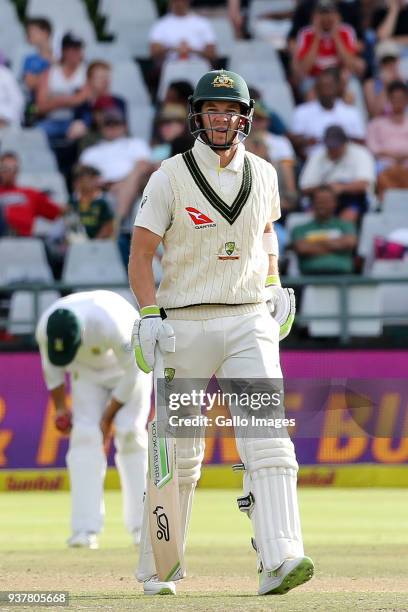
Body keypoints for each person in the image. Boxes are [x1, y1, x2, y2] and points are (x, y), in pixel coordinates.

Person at [129, 69, 314, 596]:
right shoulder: (168, 175)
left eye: (231, 111)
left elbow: (266, 229)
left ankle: (280, 559)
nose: (221, 119)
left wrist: (275, 281)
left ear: (245, 118)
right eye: (212, 110)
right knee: (180, 451)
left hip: (247, 320)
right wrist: (148, 314)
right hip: (183, 323)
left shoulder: (265, 172)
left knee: (269, 441)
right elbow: (142, 254)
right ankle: (158, 567)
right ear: (197, 116)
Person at [35, 291, 152, 548]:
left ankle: (142, 529)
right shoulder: (46, 327)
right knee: (84, 439)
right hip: (86, 372)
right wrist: (60, 410)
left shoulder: (111, 321)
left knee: (130, 434)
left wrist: (107, 419)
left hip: (129, 368)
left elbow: (133, 373)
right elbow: (52, 372)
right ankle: (84, 531)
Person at [79, 108, 152, 224]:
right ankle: (119, 224)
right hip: (102, 187)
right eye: (108, 124)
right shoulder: (91, 152)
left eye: (116, 124)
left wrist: (123, 183)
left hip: (133, 184)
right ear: (101, 127)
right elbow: (81, 176)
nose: (112, 128)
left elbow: (144, 167)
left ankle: (118, 222)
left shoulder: (136, 144)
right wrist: (105, 186)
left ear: (125, 126)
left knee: (139, 170)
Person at [299, 125, 376, 221]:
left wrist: (341, 187)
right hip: (322, 197)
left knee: (349, 215)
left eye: (336, 146)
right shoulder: (317, 156)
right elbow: (305, 187)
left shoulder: (361, 153)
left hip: (352, 198)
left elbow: (363, 184)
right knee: (311, 213)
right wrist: (328, 189)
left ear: (345, 143)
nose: (333, 149)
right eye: (330, 146)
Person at [291, 68, 365, 158]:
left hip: (347, 161)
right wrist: (307, 141)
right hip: (313, 161)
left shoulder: (351, 112)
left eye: (329, 86)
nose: (326, 91)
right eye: (323, 86)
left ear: (337, 87)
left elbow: (360, 141)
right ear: (317, 88)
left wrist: (342, 140)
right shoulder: (302, 112)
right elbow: (295, 142)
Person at [294, 0, 364, 95]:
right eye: (322, 13)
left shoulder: (346, 31)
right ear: (314, 16)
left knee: (351, 92)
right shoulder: (306, 34)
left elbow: (350, 65)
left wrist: (335, 35)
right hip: (314, 79)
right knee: (311, 94)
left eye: (330, 13)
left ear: (337, 15)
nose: (326, 18)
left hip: (340, 78)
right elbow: (304, 69)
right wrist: (317, 37)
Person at [292, 184, 357, 274]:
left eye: (326, 201)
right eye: (319, 201)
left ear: (335, 203)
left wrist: (314, 245)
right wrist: (337, 246)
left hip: (342, 282)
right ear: (313, 203)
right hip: (309, 280)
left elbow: (349, 243)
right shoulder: (300, 229)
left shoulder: (346, 225)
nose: (322, 204)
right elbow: (302, 248)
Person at [35, 32, 88, 144]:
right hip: (51, 120)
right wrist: (70, 99)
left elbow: (83, 99)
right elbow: (40, 106)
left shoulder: (87, 72)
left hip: (76, 120)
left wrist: (53, 100)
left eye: (77, 48)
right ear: (63, 50)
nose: (74, 52)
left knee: (81, 131)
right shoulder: (50, 72)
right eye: (70, 49)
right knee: (35, 135)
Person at [0, 151, 64, 236]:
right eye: (5, 168)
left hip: (24, 241)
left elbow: (57, 212)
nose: (10, 172)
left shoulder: (30, 194)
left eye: (14, 168)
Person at [367, 80, 408, 197]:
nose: (398, 101)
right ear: (389, 99)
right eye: (395, 98)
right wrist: (394, 156)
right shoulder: (376, 124)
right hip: (385, 165)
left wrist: (402, 156)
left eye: (401, 98)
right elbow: (372, 148)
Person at [149, 0, 217, 65]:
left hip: (199, 66)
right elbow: (154, 54)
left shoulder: (203, 23)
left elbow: (212, 54)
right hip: (170, 67)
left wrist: (191, 50)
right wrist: (173, 49)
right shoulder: (161, 24)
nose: (179, 3)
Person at [68, 165, 115, 239]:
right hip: (77, 242)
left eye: (93, 178)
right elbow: (69, 224)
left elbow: (108, 226)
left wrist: (94, 242)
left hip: (100, 243)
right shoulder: (72, 201)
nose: (93, 181)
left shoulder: (103, 201)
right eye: (89, 178)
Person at [363, 40, 402, 118]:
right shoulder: (370, 84)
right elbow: (374, 114)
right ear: (379, 64)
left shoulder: (403, 82)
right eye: (386, 61)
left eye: (392, 60)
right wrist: (384, 85)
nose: (390, 64)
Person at [22, 18, 54, 100]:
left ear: (45, 33)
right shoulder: (30, 60)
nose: (28, 34)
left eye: (32, 31)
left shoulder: (61, 57)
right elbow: (30, 83)